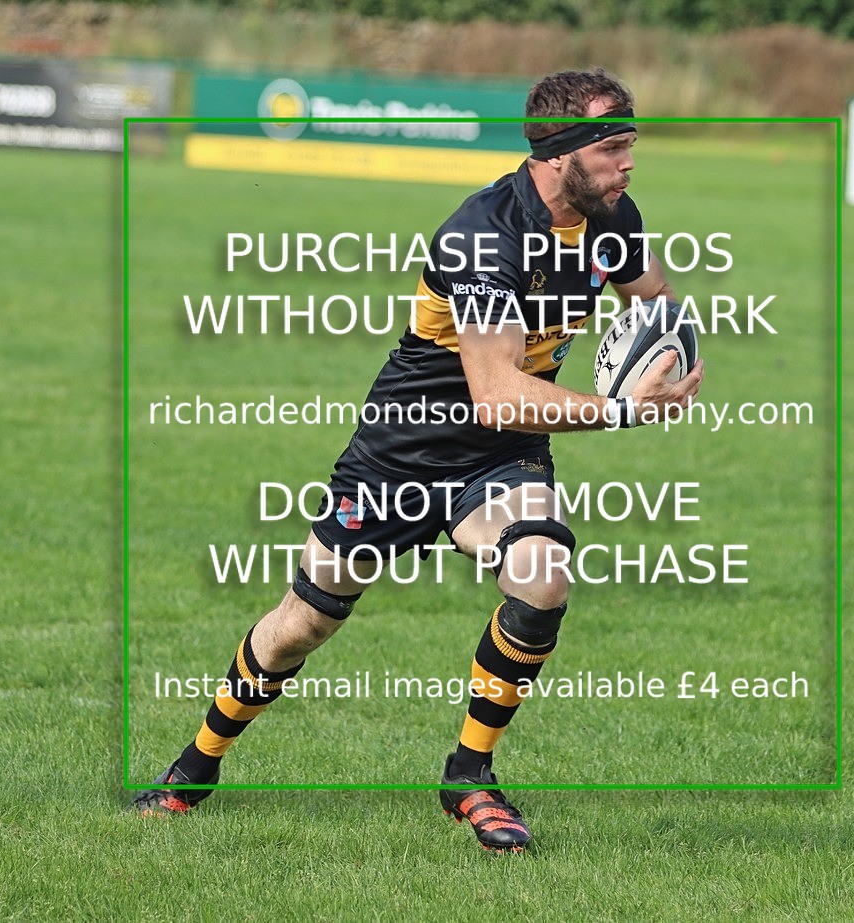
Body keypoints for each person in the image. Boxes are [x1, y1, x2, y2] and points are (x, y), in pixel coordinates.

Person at [130, 68, 704, 854]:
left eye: (630, 145)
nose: (628, 163)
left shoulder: (612, 218)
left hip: (500, 457)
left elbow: (657, 303)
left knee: (542, 574)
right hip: (402, 450)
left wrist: (667, 352)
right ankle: (195, 765)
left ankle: (469, 774)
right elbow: (496, 394)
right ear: (557, 151)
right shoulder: (485, 235)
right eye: (611, 148)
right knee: (304, 622)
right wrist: (622, 407)